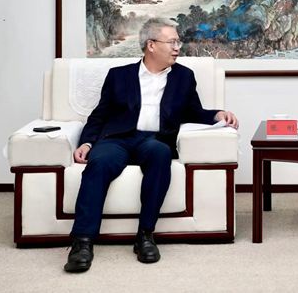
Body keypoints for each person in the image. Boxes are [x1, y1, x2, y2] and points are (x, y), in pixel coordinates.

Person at [64, 18, 239, 273]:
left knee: (160, 154)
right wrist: (87, 142)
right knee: (98, 163)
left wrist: (217, 114)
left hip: (155, 140)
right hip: (117, 139)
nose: (177, 47)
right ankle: (82, 241)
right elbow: (99, 115)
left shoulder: (184, 77)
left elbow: (193, 112)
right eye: (172, 42)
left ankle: (145, 235)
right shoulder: (119, 75)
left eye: (178, 42)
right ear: (151, 45)